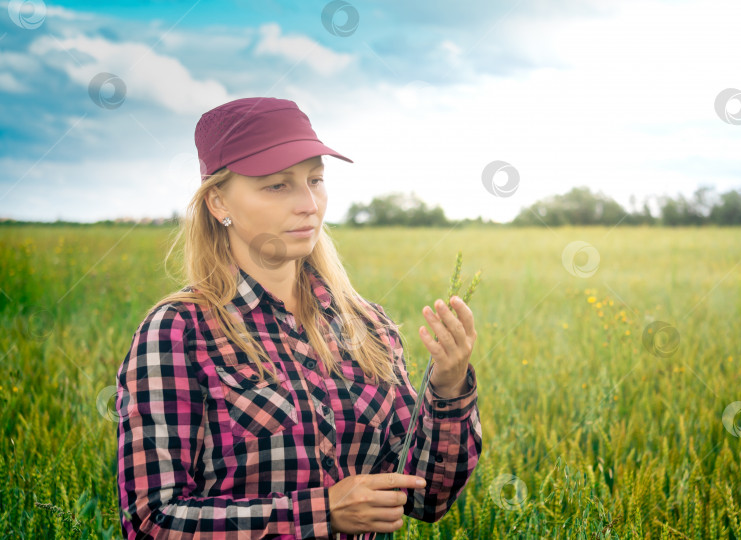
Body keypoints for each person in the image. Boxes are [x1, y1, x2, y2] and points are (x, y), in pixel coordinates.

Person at [116, 97, 482, 539]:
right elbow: (152, 521)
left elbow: (425, 498)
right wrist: (321, 512)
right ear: (218, 202)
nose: (309, 204)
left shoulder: (368, 326)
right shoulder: (178, 332)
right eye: (277, 186)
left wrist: (448, 387)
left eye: (315, 180)